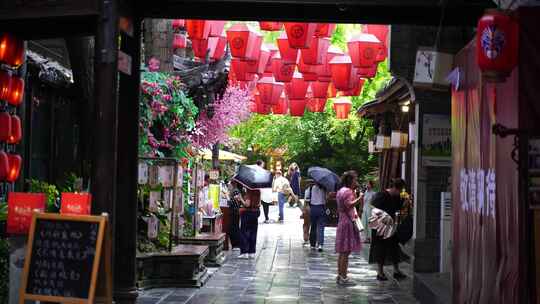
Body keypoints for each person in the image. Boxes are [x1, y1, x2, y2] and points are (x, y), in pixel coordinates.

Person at [368, 178, 409, 281]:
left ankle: (396, 270)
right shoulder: (382, 195)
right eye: (400, 190)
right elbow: (373, 208)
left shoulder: (396, 196)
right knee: (380, 248)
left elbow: (398, 208)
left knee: (394, 247)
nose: (400, 193)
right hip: (380, 226)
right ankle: (380, 272)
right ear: (395, 188)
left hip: (391, 226)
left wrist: (405, 203)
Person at [335, 170, 362, 286]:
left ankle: (340, 275)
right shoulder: (348, 192)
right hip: (347, 222)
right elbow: (349, 205)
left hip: (341, 221)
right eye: (355, 179)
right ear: (350, 180)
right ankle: (344, 277)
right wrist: (359, 199)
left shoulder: (341, 191)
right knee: (345, 251)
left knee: (342, 251)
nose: (356, 181)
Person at [238, 185, 261, 259]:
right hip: (255, 213)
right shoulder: (258, 190)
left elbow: (247, 204)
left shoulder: (249, 190)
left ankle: (244, 252)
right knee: (253, 232)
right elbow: (259, 203)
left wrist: (240, 198)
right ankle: (252, 252)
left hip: (248, 213)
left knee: (244, 232)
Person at [305, 181, 327, 252]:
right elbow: (326, 198)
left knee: (313, 226)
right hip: (322, 208)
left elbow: (306, 199)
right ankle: (320, 244)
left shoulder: (310, 188)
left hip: (313, 208)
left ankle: (312, 244)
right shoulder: (324, 188)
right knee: (321, 227)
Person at [227, 180, 243, 251]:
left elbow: (234, 203)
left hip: (235, 211)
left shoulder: (235, 191)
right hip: (234, 211)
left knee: (234, 228)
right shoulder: (234, 190)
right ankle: (236, 244)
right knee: (234, 227)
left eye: (231, 183)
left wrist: (228, 197)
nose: (229, 184)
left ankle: (236, 244)